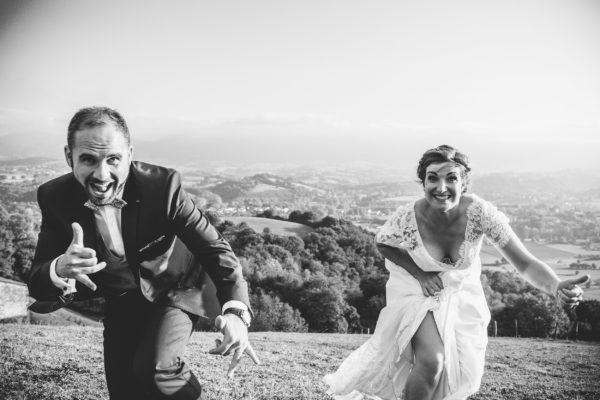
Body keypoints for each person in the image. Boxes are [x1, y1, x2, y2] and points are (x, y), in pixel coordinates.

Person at [28, 106, 259, 400]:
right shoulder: (54, 197)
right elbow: (37, 278)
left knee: (156, 370)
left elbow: (213, 247)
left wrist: (237, 312)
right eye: (88, 159)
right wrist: (58, 268)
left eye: (113, 159)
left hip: (176, 287)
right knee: (125, 391)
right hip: (121, 297)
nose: (102, 174)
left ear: (129, 154)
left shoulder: (162, 187)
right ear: (68, 156)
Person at [324, 144, 588, 400]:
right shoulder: (408, 216)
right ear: (423, 183)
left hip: (460, 295)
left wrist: (555, 286)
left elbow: (525, 263)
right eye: (432, 179)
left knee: (460, 372)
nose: (441, 188)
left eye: (451, 178)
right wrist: (420, 273)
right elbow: (383, 242)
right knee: (432, 360)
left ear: (464, 183)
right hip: (416, 292)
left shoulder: (481, 214)